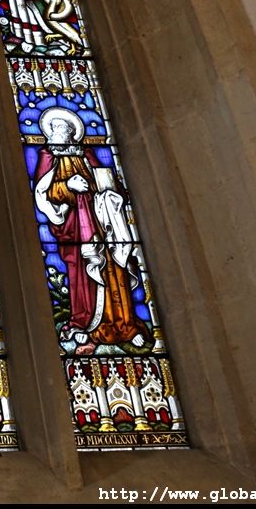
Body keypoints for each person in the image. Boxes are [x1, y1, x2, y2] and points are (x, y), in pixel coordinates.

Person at [32, 107, 150, 355]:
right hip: (74, 226)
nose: (57, 132)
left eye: (63, 128)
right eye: (54, 128)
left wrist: (104, 189)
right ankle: (86, 325)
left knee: (113, 269)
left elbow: (111, 184)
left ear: (72, 132)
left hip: (103, 222)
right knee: (82, 274)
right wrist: (68, 186)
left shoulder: (86, 153)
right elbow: (42, 193)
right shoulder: (47, 156)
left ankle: (126, 327)